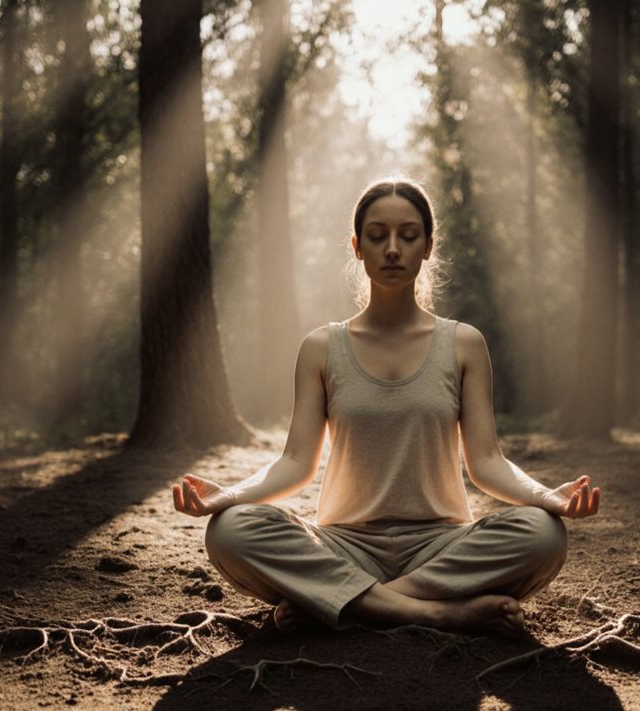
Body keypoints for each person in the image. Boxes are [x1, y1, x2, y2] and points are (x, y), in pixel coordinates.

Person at [172, 178, 600, 637]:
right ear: (357, 247)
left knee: (544, 533)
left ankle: (342, 603)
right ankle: (437, 613)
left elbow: (487, 462)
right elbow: (295, 462)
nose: (392, 248)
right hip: (343, 544)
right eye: (377, 236)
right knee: (230, 530)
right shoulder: (321, 348)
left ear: (428, 247)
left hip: (440, 546)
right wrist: (230, 497)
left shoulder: (463, 344)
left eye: (408, 235)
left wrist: (547, 498)